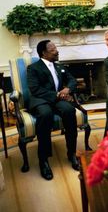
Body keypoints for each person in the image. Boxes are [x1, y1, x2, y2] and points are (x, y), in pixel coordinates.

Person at [27, 40, 79, 180]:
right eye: (53, 49)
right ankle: (43, 159)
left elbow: (72, 80)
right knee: (46, 114)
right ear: (44, 53)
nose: (57, 50)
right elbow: (35, 89)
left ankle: (72, 153)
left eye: (55, 48)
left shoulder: (59, 66)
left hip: (58, 100)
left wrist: (68, 89)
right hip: (41, 100)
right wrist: (58, 94)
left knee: (69, 110)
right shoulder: (33, 68)